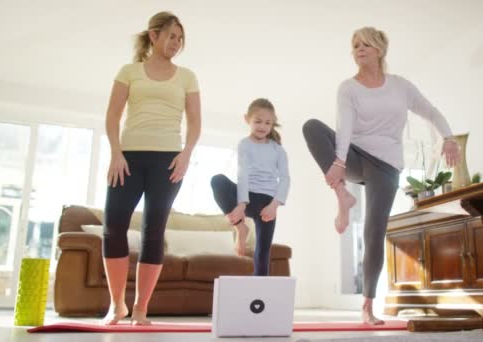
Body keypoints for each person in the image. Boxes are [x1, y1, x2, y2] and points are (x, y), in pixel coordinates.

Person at [302, 27, 460, 325]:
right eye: (355, 45)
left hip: (387, 166)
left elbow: (431, 111)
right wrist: (338, 162)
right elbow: (344, 126)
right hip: (356, 157)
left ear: (380, 50)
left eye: (366, 44)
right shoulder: (348, 88)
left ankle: (367, 306)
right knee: (311, 126)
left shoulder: (400, 86)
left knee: (373, 231)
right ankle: (343, 197)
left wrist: (448, 138)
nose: (359, 49)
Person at [101, 11, 201, 325]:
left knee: (153, 231)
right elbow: (112, 115)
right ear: (154, 35)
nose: (176, 43)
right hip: (128, 157)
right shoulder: (129, 71)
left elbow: (195, 122)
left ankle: (141, 308)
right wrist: (116, 153)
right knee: (113, 226)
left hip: (167, 161)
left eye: (180, 38)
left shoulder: (187, 76)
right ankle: (117, 304)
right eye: (171, 36)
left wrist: (186, 154)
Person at [211, 98, 290, 276]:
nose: (262, 126)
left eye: (268, 123)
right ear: (247, 119)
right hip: (246, 196)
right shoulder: (244, 145)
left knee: (262, 251)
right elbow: (242, 174)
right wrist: (241, 205)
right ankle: (240, 228)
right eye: (258, 121)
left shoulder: (278, 149)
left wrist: (274, 205)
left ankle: (259, 293)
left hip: (267, 204)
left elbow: (285, 178)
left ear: (273, 124)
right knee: (218, 181)